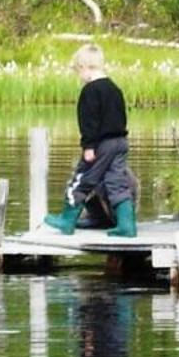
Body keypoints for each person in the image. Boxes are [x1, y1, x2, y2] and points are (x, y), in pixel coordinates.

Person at [45, 42, 137, 237]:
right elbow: (120, 117)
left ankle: (67, 220)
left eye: (78, 71)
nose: (79, 77)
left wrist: (89, 147)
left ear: (85, 68)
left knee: (81, 180)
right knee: (117, 182)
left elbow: (89, 122)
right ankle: (127, 226)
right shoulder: (115, 89)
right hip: (120, 142)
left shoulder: (90, 91)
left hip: (101, 145)